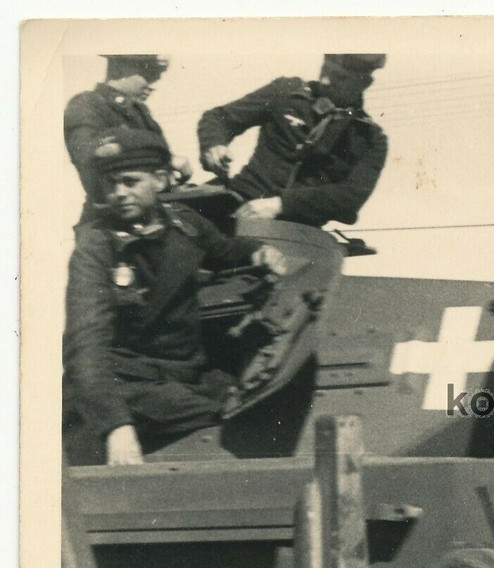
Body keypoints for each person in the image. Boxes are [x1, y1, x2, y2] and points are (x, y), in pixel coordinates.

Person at [62, 129, 288, 467]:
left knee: (252, 398)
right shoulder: (96, 246)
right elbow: (86, 344)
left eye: (130, 181)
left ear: (160, 179)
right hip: (127, 383)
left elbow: (225, 250)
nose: (119, 193)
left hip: (184, 375)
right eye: (111, 184)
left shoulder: (184, 224)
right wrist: (115, 424)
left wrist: (258, 251)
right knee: (226, 415)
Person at [197, 54, 389, 228]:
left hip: (297, 230)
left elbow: (350, 196)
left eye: (340, 77)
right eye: (325, 69)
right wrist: (214, 145)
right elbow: (218, 118)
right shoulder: (286, 92)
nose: (325, 80)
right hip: (237, 203)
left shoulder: (371, 138)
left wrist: (282, 204)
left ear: (364, 83)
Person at [64, 55, 193, 223]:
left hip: (153, 214)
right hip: (110, 220)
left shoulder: (141, 112)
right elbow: (86, 151)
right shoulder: (86, 104)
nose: (150, 85)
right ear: (120, 69)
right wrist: (168, 159)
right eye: (147, 75)